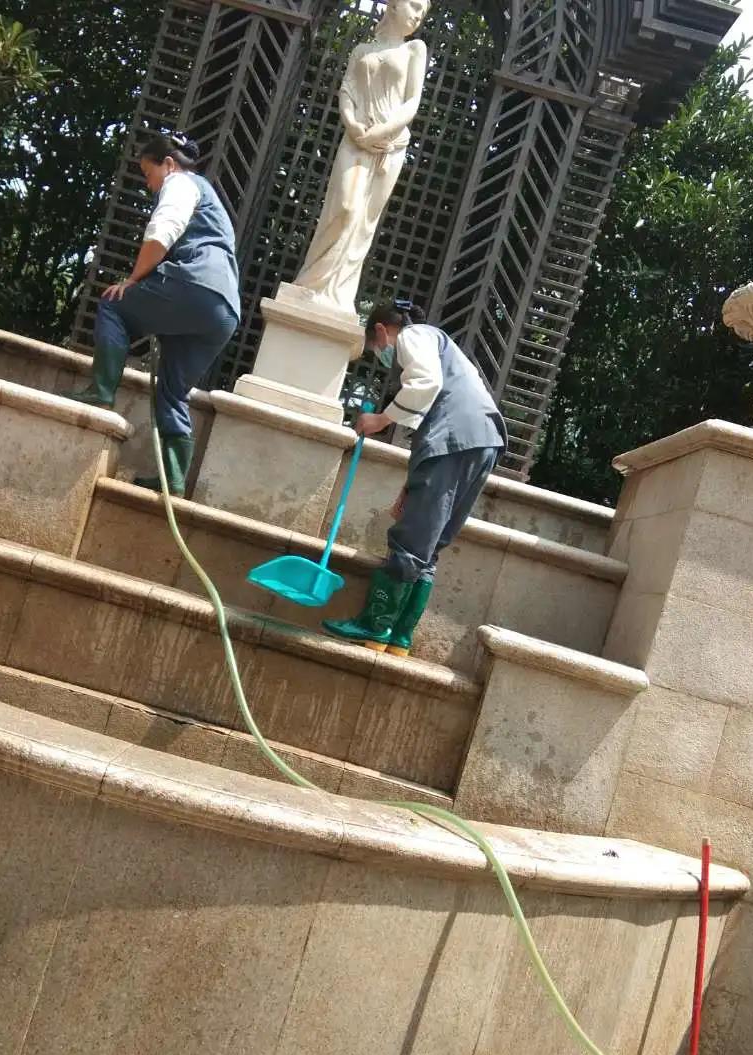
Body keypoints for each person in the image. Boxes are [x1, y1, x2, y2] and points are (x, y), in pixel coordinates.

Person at [323, 300, 507, 656]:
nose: (382, 355)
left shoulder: (413, 335)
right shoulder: (445, 348)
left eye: (376, 347)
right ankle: (398, 638)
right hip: (483, 441)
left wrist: (380, 420)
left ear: (381, 331)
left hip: (454, 439)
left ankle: (374, 626)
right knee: (429, 544)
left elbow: (425, 382)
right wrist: (409, 489)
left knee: (410, 542)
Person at [66, 132, 241, 495]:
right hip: (224, 310)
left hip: (194, 285)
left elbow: (163, 231)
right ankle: (172, 480)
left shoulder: (182, 183)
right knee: (172, 391)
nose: (149, 185)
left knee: (113, 304)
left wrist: (132, 280)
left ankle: (100, 392)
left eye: (149, 174)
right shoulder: (213, 204)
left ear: (170, 164)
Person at [292, 0, 429, 312]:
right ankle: (311, 282)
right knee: (344, 207)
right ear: (394, 4)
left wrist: (381, 133)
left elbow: (412, 102)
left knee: (364, 221)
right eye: (414, 6)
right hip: (355, 140)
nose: (418, 15)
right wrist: (353, 126)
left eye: (423, 12)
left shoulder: (414, 50)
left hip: (389, 146)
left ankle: (338, 296)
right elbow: (347, 91)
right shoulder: (362, 49)